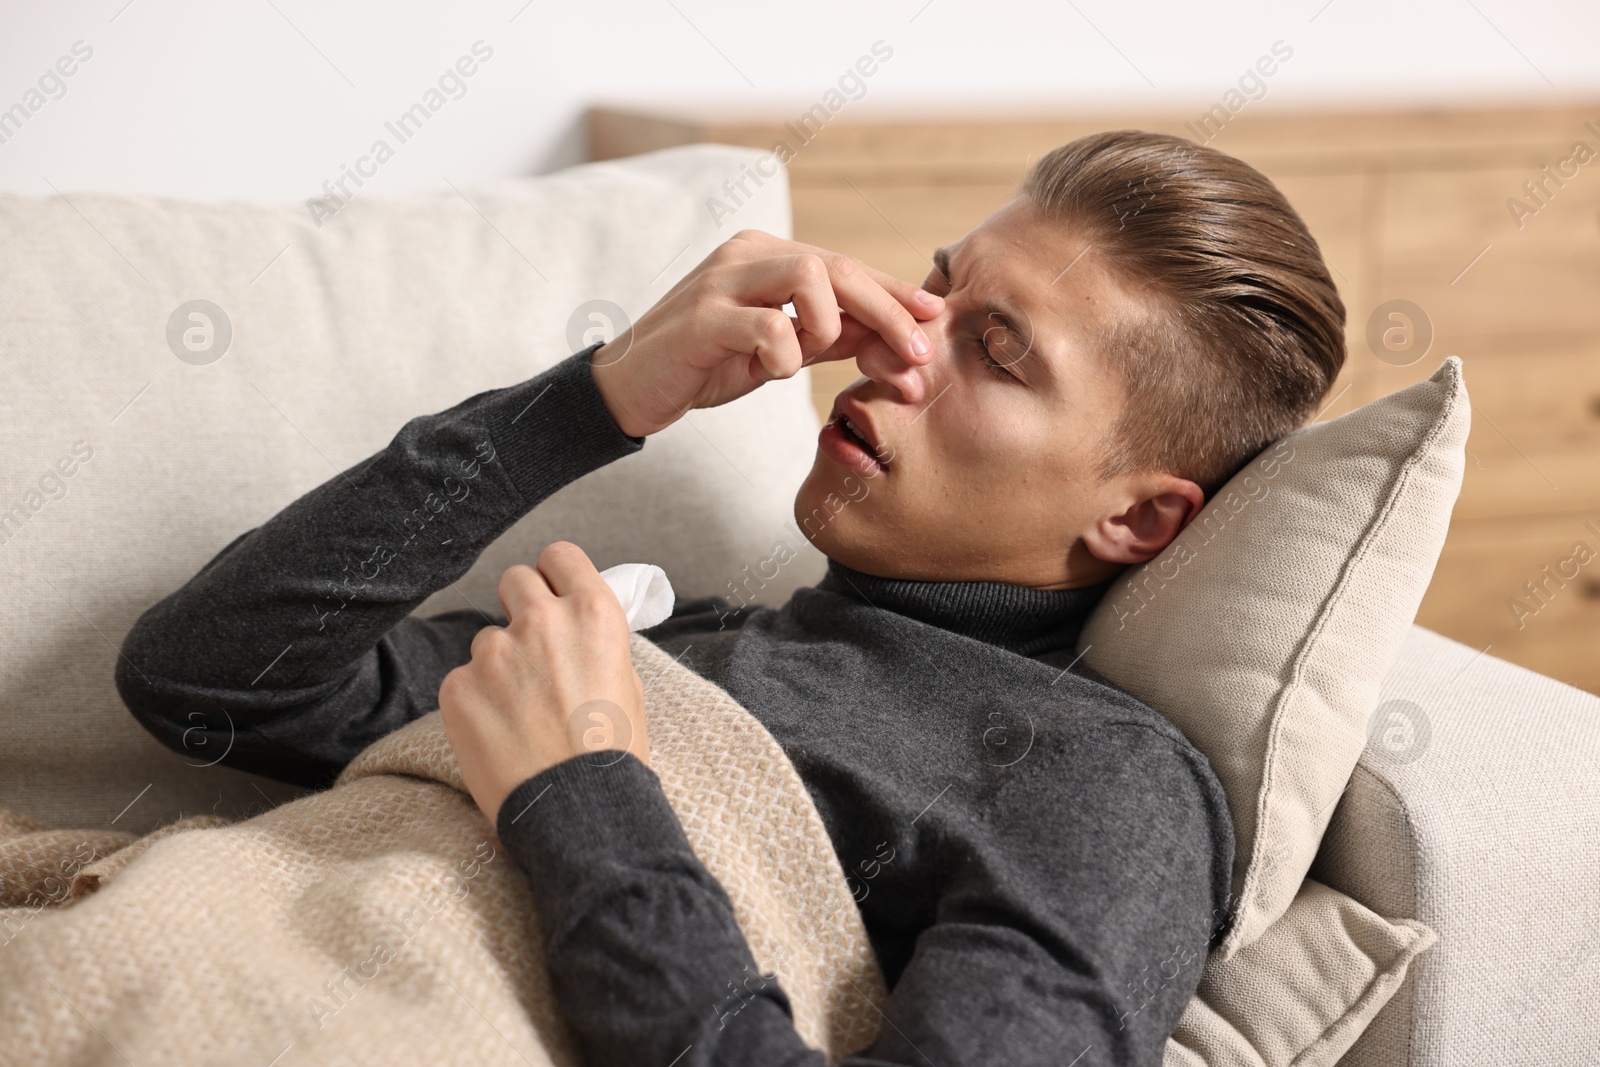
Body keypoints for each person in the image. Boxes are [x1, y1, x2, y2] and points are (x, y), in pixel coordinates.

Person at [116, 130, 1345, 1066]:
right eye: (936, 290)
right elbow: (205, 678)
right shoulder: (687, 637)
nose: (898, 345)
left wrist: (580, 791)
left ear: (1134, 517)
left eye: (997, 350)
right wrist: (599, 396)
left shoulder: (1098, 781)